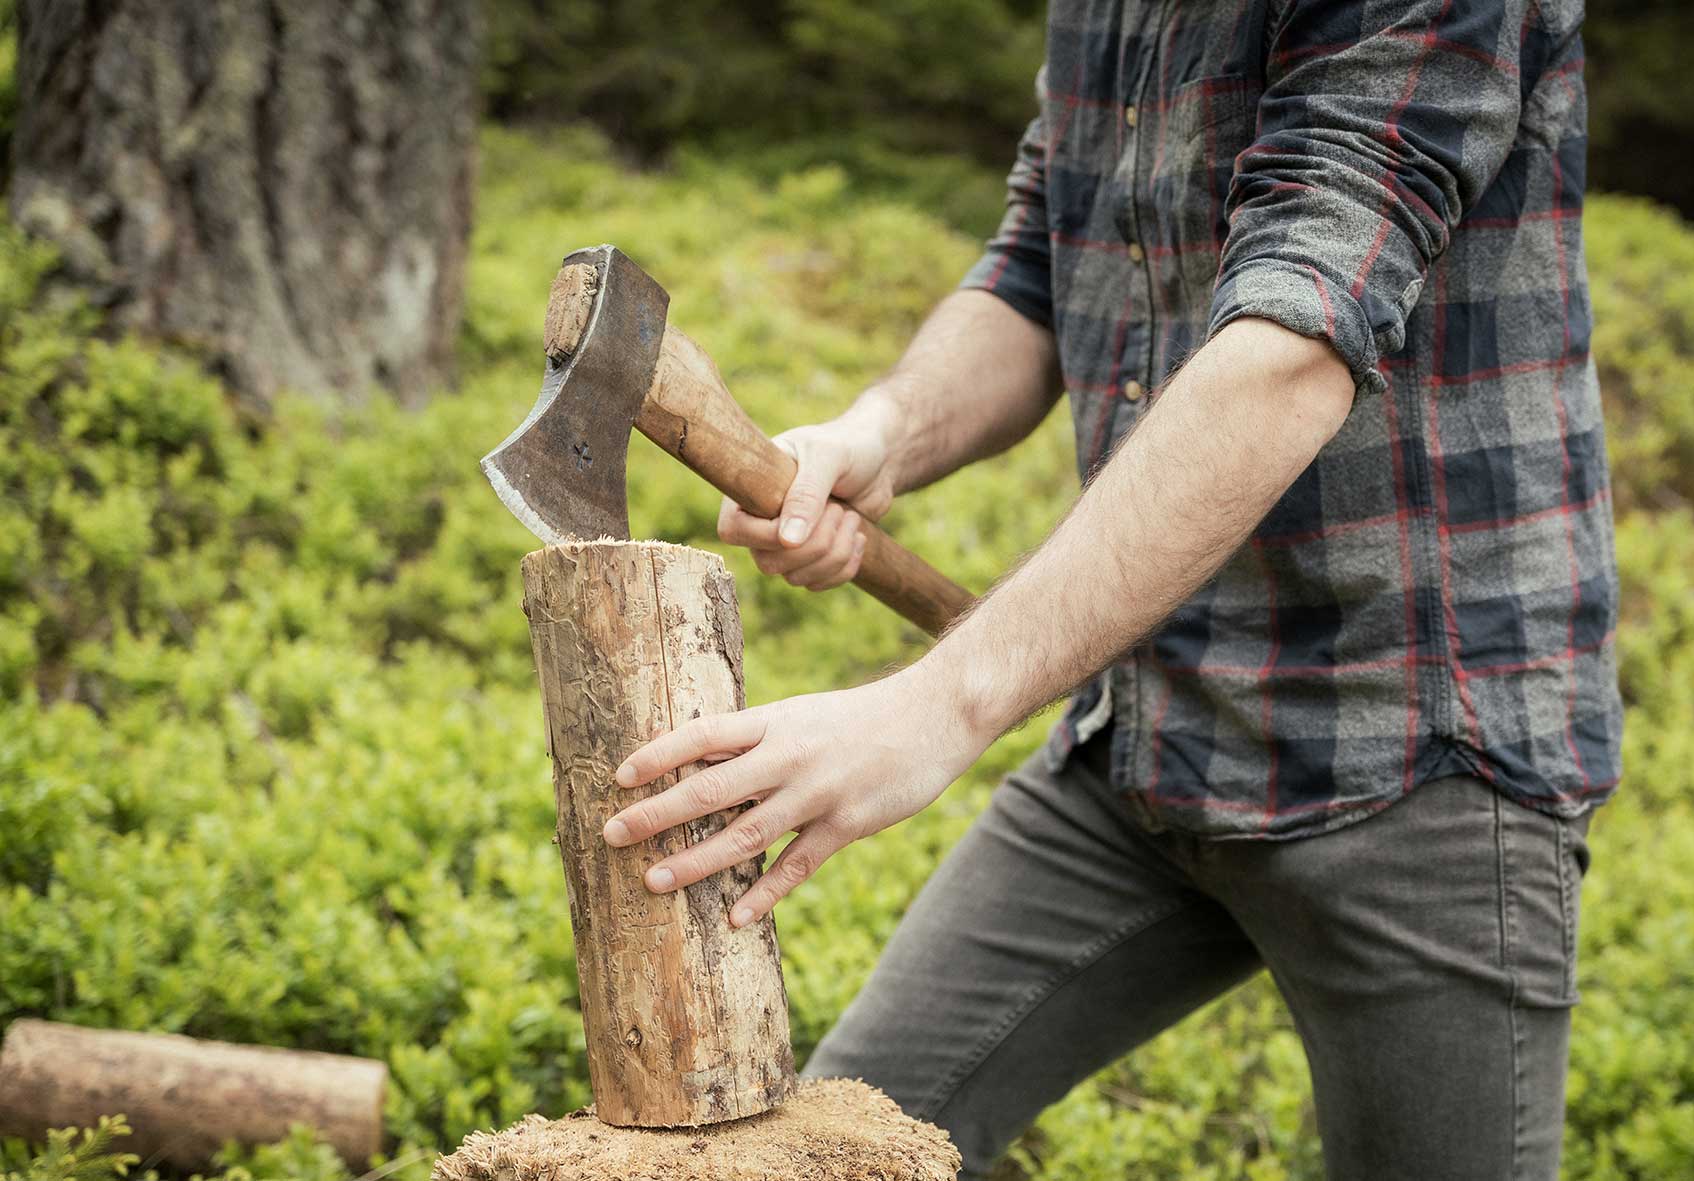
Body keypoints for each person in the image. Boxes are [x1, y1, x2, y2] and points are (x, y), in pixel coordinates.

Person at [601, 0, 1621, 1175]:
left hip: (1416, 755)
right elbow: (1038, 262)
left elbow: (1293, 343)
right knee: (841, 1153)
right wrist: (882, 432)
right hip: (1145, 728)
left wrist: (940, 703)